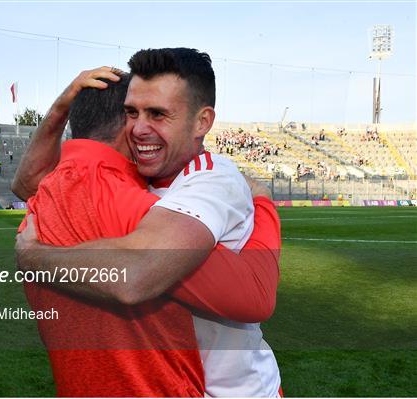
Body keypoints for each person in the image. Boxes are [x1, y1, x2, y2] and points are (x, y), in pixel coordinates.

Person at [15, 50, 280, 397]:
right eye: (131, 112)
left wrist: (33, 258)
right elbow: (27, 184)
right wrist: (62, 106)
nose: (139, 129)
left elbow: (137, 274)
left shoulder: (212, 180)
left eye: (158, 114)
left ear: (202, 122)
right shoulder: (130, 181)